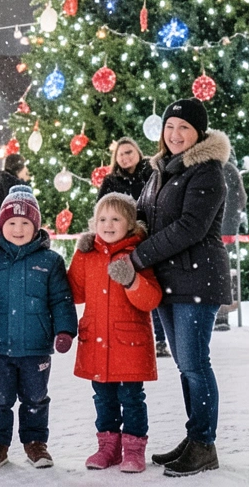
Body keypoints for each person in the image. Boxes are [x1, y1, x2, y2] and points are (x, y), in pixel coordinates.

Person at [129, 98, 230, 476]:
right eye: (170, 127)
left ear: (198, 133)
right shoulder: (162, 170)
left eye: (184, 128)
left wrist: (138, 257)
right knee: (186, 365)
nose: (175, 134)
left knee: (194, 364)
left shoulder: (207, 171)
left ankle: (204, 444)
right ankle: (195, 437)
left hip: (197, 278)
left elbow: (190, 228)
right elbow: (144, 214)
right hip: (171, 281)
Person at [0, 185, 76, 471]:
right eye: (12, 222)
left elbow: (61, 299)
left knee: (35, 396)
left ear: (35, 226)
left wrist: (65, 331)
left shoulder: (50, 261)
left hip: (36, 345)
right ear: (1, 225)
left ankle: (35, 442)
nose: (18, 229)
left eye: (25, 223)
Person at [68, 192, 162, 473]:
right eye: (102, 219)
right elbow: (75, 293)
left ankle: (133, 450)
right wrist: (79, 253)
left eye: (116, 219)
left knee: (132, 398)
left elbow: (151, 299)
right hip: (97, 341)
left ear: (130, 224)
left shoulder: (138, 254)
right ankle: (107, 448)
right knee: (103, 398)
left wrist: (132, 280)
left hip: (129, 344)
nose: (108, 225)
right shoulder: (89, 256)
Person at [96, 137, 170, 354]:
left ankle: (160, 339)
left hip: (149, 239)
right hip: (122, 243)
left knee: (150, 287)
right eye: (120, 154)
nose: (125, 157)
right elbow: (101, 209)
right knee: (126, 291)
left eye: (129, 152)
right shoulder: (111, 181)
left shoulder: (152, 174)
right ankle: (121, 339)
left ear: (138, 152)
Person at [214, 155, 247, 331]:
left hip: (212, 230)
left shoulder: (215, 167)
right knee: (223, 272)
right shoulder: (231, 171)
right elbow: (241, 201)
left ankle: (218, 316)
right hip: (227, 231)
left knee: (213, 272)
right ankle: (222, 315)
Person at [0, 154, 30, 234]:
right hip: (8, 234)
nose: (27, 170)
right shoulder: (12, 185)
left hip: (0, 233)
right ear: (18, 169)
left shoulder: (3, 182)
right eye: (25, 167)